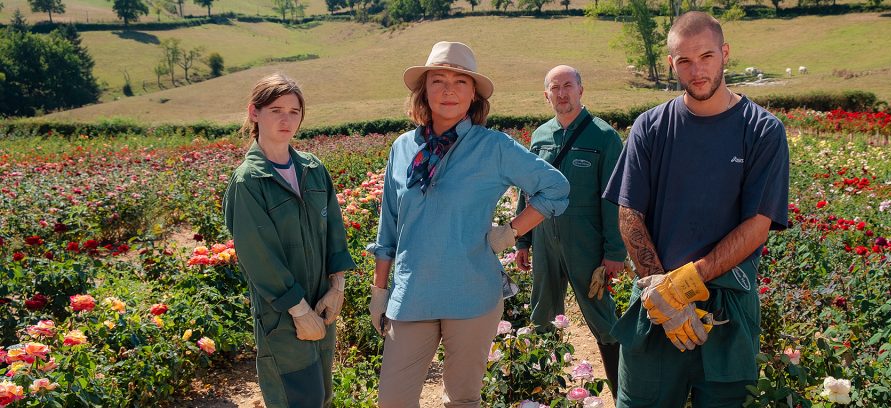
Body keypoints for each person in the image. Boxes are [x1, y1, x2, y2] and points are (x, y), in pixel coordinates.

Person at [367, 41, 570, 408]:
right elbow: (388, 229)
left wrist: (510, 232)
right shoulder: (402, 148)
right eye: (438, 81)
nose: (448, 90)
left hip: (472, 293)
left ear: (473, 93)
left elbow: (555, 187)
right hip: (412, 294)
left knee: (462, 400)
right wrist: (379, 291)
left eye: (460, 82)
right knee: (392, 400)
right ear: (423, 91)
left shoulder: (492, 147)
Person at [602, 12, 790, 407]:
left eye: (706, 56)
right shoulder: (650, 127)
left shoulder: (761, 130)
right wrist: (662, 293)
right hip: (654, 307)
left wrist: (682, 285)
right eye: (684, 61)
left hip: (727, 307)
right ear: (672, 64)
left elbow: (757, 225)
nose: (697, 70)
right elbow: (629, 214)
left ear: (725, 53)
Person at [223, 73, 357, 408]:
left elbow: (334, 232)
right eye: (276, 110)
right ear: (255, 113)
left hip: (322, 302)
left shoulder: (313, 169)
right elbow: (258, 255)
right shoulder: (249, 181)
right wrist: (298, 310)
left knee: (322, 395)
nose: (286, 119)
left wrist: (336, 286)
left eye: (294, 111)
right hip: (282, 313)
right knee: (297, 398)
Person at [514, 65, 626, 397]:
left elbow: (614, 199)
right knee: (542, 315)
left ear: (581, 89)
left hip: (587, 241)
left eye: (568, 86)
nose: (562, 93)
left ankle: (625, 395)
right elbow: (527, 190)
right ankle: (545, 393)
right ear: (546, 95)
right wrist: (523, 239)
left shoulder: (603, 137)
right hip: (546, 238)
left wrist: (614, 253)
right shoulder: (540, 136)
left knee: (603, 319)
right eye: (555, 88)